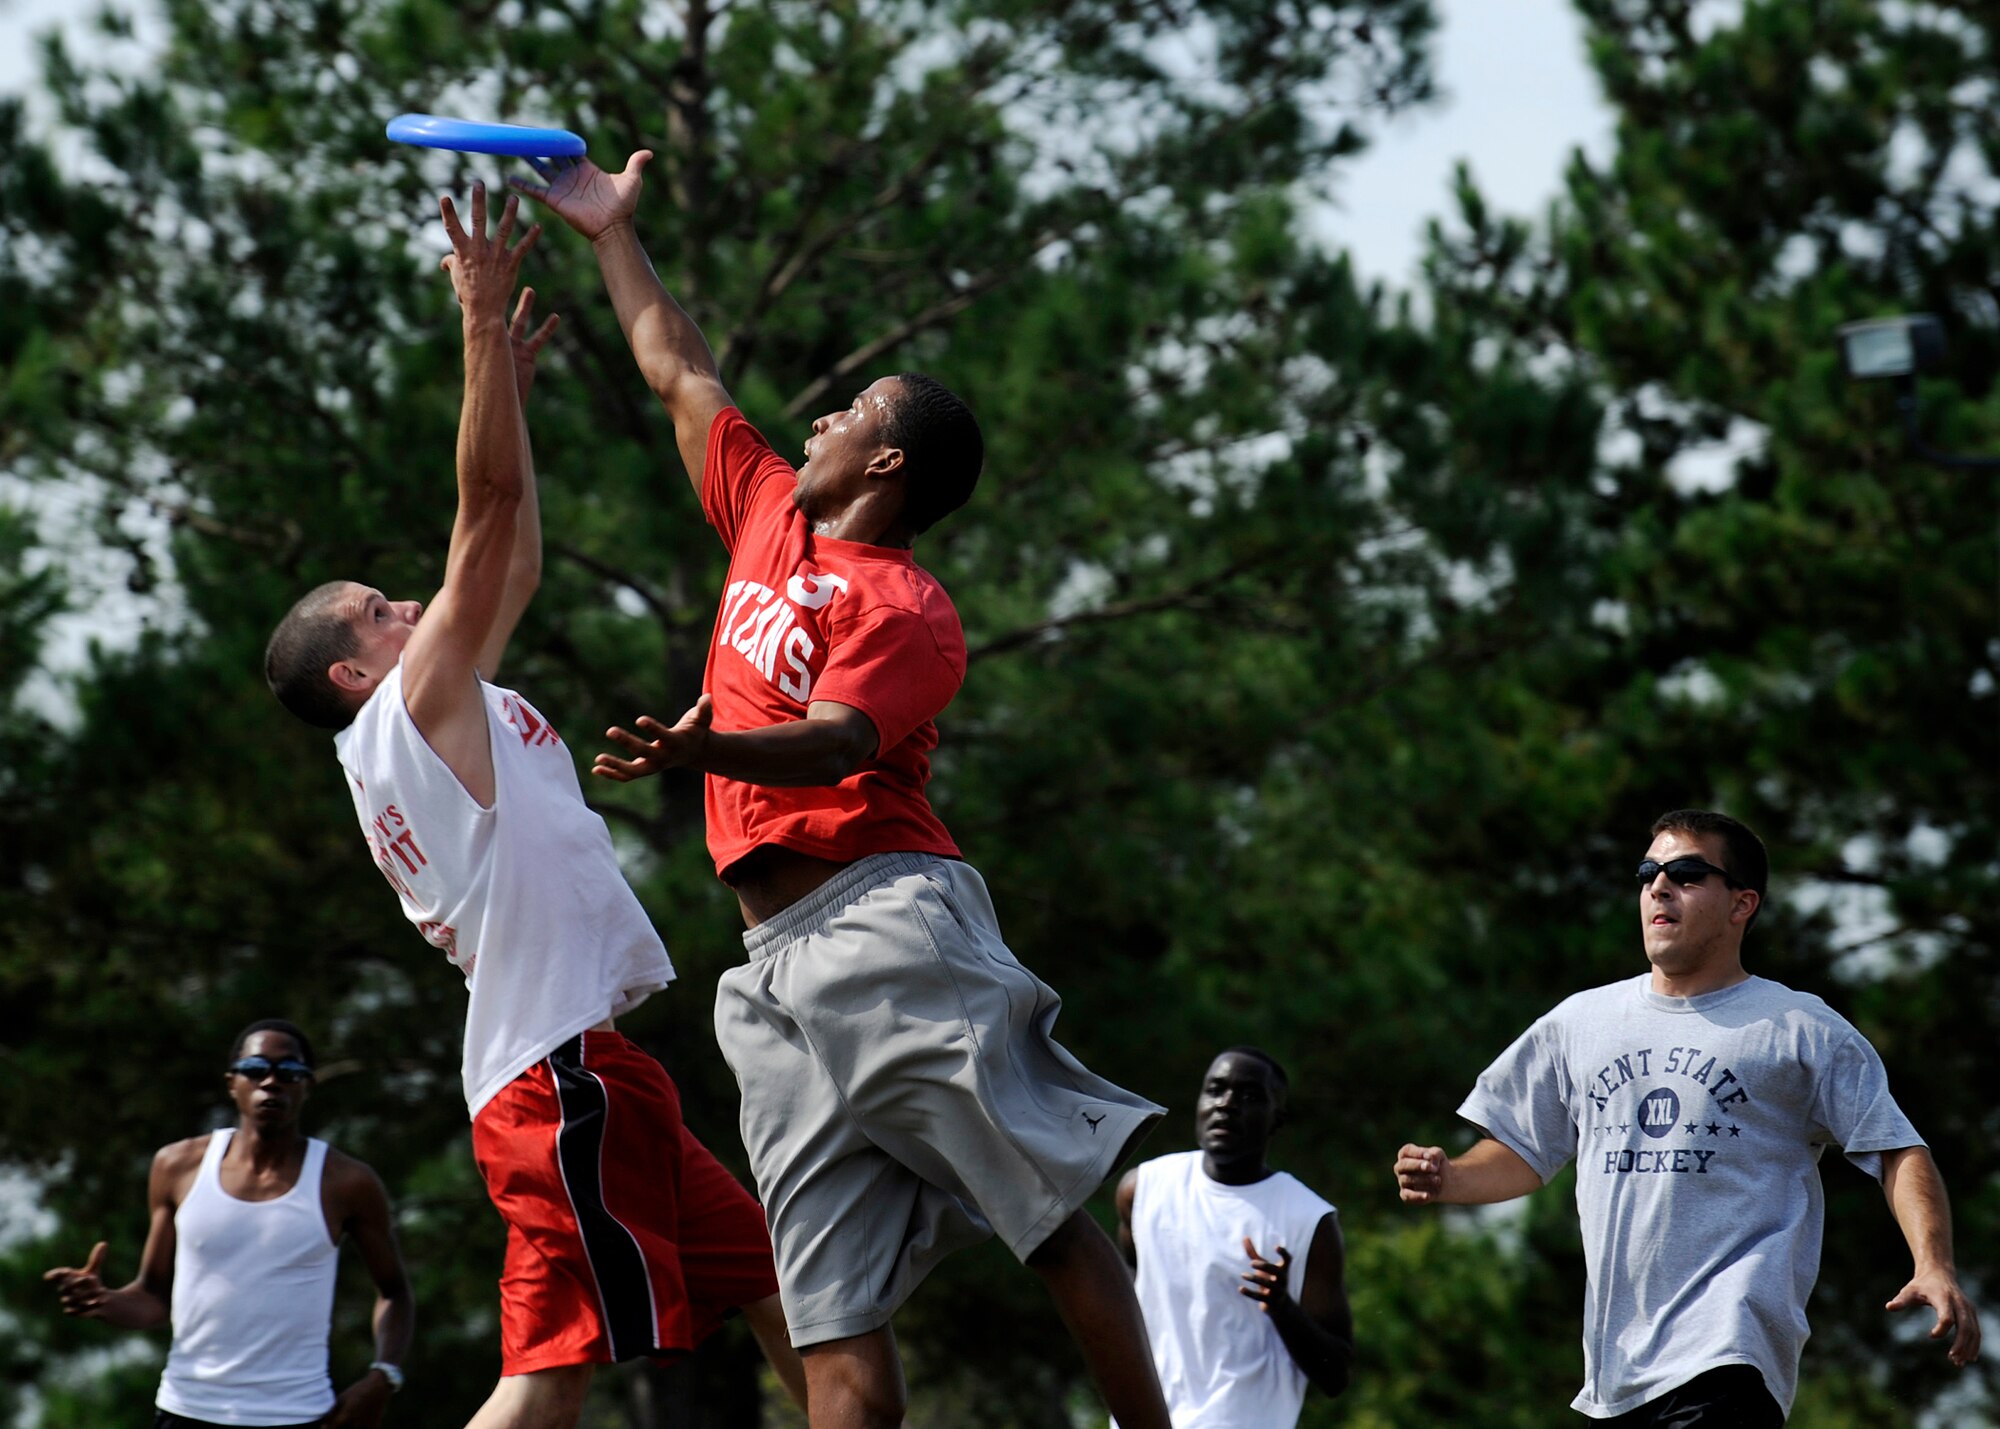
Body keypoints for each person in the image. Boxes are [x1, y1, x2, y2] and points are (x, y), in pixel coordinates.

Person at [511, 149, 1172, 1429]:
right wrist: (607, 234)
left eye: (849, 413)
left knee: (1046, 1217)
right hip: (767, 972)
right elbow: (675, 366)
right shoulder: (766, 511)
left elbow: (829, 744)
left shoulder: (910, 609)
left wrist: (703, 753)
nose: (815, 420)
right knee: (829, 1319)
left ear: (885, 467)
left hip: (885, 922)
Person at [262, 185, 806, 1429]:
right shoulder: (407, 713)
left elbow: (516, 554)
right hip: (551, 1077)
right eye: (378, 608)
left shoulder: (432, 711)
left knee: (779, 1285)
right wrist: (477, 322)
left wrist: (503, 382)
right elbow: (486, 515)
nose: (406, 601)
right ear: (355, 671)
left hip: (575, 1066)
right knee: (545, 1376)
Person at [1393, 809, 1983, 1425]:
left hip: (1730, 1351)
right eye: (1649, 872)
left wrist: (1933, 1264)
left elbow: (1895, 1149)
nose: (1658, 886)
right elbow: (1523, 1151)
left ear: (1741, 904)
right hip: (1615, 1371)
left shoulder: (1800, 1028)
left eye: (1688, 873)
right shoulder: (1579, 1023)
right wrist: (1450, 1177)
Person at [44, 1020, 414, 1429]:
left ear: (307, 1086)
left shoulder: (346, 1182)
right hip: (186, 1410)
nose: (271, 1081)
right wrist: (103, 1301)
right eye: (256, 1069)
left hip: (299, 1416)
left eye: (290, 1072)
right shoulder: (178, 1166)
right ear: (231, 1083)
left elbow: (395, 1292)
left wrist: (384, 1376)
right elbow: (153, 1296)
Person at [1114, 1047, 1352, 1427]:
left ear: (1278, 1119)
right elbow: (1123, 1308)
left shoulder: (1309, 1219)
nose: (1226, 1105)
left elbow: (1335, 1375)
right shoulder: (1142, 1190)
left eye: (1249, 1096)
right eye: (1215, 1090)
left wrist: (1280, 1305)